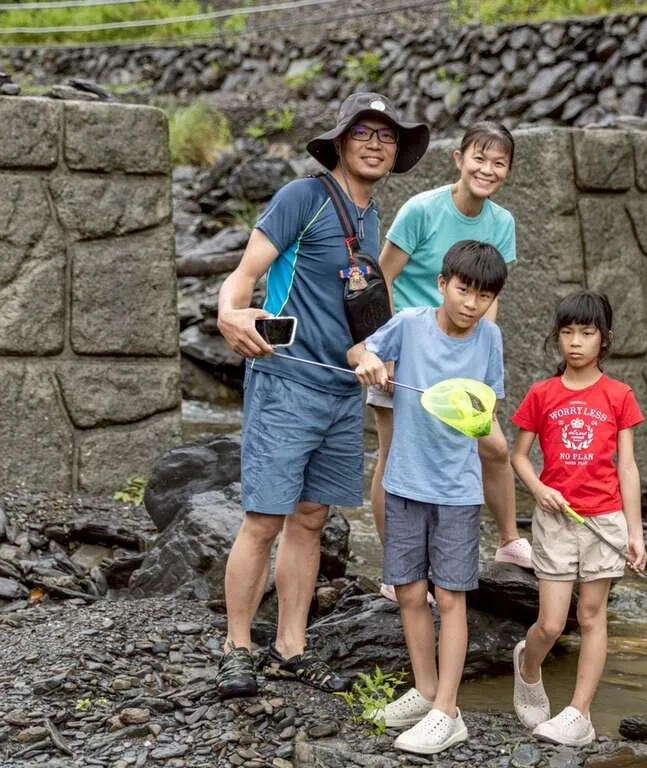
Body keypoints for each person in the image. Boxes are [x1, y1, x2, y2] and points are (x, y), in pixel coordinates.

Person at [213, 92, 429, 699]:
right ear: (340, 141)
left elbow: (357, 305)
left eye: (388, 136)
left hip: (341, 389)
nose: (377, 144)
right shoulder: (302, 198)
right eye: (364, 132)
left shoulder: (371, 217)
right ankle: (236, 646)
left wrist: (373, 356)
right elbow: (246, 272)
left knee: (310, 519)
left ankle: (291, 647)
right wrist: (229, 313)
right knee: (262, 519)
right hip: (286, 380)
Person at [349, 241, 508, 755]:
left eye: (483, 296)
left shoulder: (491, 339)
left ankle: (448, 711)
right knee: (412, 593)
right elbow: (359, 350)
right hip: (403, 483)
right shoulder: (412, 324)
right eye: (463, 290)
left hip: (458, 490)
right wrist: (371, 363)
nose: (471, 303)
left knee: (452, 597)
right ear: (443, 284)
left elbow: (488, 406)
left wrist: (486, 429)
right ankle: (424, 690)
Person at [372, 122, 530, 604]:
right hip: (409, 349)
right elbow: (382, 278)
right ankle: (396, 567)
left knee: (495, 446)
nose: (487, 169)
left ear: (507, 172)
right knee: (393, 456)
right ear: (458, 159)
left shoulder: (501, 223)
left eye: (498, 162)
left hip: (464, 351)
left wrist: (483, 356)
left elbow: (490, 297)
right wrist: (389, 351)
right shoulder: (421, 210)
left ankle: (508, 541)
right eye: (479, 158)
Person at [508, 290, 647, 746]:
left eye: (586, 333)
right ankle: (528, 666)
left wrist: (635, 534)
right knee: (550, 624)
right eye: (567, 332)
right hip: (555, 521)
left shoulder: (619, 395)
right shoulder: (543, 393)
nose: (575, 342)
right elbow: (519, 457)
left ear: (605, 339)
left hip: (604, 521)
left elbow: (627, 467)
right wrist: (540, 489)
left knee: (591, 616)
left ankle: (579, 714)